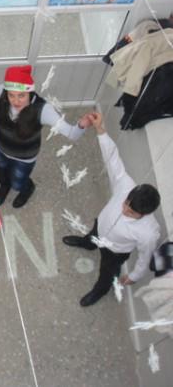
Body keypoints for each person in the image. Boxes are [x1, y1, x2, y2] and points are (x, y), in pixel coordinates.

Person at [62, 112, 161, 307]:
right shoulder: (126, 185)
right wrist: (100, 129)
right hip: (101, 226)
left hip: (115, 251)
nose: (124, 210)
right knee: (92, 235)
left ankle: (101, 290)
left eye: (131, 213)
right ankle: (88, 243)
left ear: (145, 214)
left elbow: (145, 256)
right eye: (126, 204)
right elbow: (113, 158)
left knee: (107, 272)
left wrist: (134, 276)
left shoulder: (149, 233)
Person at [0, 65, 91, 207]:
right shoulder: (2, 93)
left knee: (18, 182)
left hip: (24, 158)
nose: (15, 101)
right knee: (1, 172)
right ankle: (5, 186)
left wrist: (82, 125)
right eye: (11, 95)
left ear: (30, 92)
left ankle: (27, 188)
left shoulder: (42, 109)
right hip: (0, 148)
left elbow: (72, 134)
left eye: (21, 95)